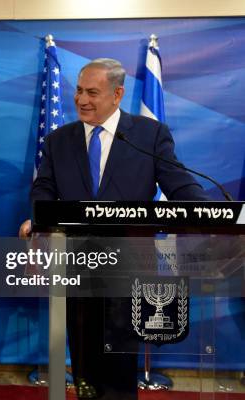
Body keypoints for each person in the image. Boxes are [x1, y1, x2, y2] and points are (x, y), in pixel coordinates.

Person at [19, 58, 209, 400]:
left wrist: (214, 217)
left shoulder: (148, 136)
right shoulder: (59, 140)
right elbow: (43, 188)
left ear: (117, 94)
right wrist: (39, 217)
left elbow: (179, 184)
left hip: (128, 269)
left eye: (92, 92)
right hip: (75, 266)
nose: (81, 100)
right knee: (85, 365)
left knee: (120, 367)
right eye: (79, 91)